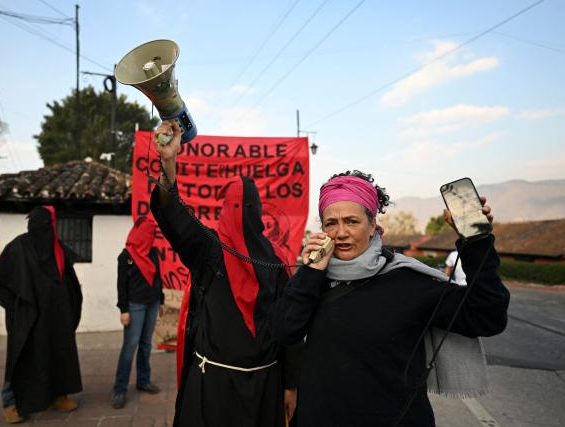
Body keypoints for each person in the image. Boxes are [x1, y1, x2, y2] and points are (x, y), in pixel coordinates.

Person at [270, 171, 510, 427]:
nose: (340, 233)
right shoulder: (313, 278)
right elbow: (282, 332)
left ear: (373, 225)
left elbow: (487, 317)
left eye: (352, 221)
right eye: (331, 223)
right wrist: (310, 272)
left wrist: (477, 242)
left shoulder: (408, 280)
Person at [150, 121, 302, 427]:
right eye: (233, 205)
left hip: (264, 385)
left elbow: (290, 329)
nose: (237, 212)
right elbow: (173, 215)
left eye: (242, 206)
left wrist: (290, 385)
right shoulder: (208, 251)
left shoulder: (277, 261)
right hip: (212, 386)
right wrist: (169, 162)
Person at [0, 206, 83, 423]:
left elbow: (69, 281)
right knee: (21, 357)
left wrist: (68, 304)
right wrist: (18, 307)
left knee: (57, 355)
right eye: (45, 225)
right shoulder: (19, 247)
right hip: (29, 318)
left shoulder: (57, 249)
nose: (47, 230)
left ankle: (58, 395)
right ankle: (11, 403)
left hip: (55, 317)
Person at [111, 216, 165, 409]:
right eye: (149, 233)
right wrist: (123, 309)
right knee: (130, 346)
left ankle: (143, 380)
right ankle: (119, 389)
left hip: (152, 304)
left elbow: (158, 277)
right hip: (134, 306)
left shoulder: (153, 253)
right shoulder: (126, 256)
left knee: (145, 344)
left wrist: (161, 301)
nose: (151, 237)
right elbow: (121, 285)